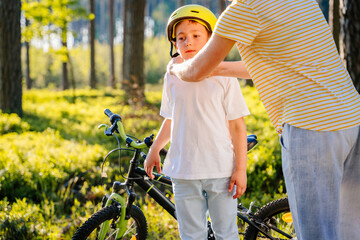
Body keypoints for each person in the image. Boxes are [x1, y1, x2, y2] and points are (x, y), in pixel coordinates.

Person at [167, 1, 360, 240]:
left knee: (317, 234)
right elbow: (263, 66)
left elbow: (194, 72)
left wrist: (175, 68)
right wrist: (213, 69)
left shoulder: (245, 8)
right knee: (349, 231)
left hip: (312, 126)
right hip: (351, 117)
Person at [144, 4, 250, 240]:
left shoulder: (224, 76)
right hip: (183, 170)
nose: (188, 42)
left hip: (220, 169)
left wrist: (240, 169)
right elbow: (171, 118)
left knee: (226, 233)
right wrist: (154, 149)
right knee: (191, 234)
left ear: (211, 40)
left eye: (195, 36)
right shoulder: (171, 76)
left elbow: (236, 125)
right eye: (181, 38)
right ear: (174, 44)